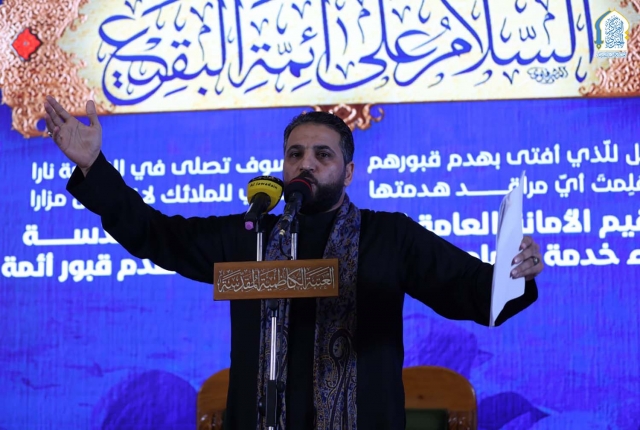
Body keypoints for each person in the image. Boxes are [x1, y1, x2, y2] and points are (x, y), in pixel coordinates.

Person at [43, 95, 544, 430]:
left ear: (349, 172)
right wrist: (93, 167)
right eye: (295, 154)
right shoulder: (251, 235)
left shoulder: (389, 236)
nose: (306, 163)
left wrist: (514, 272)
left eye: (322, 155)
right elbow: (157, 236)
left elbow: (471, 291)